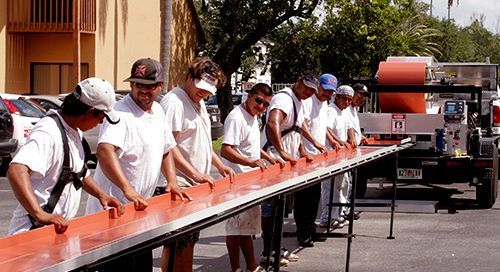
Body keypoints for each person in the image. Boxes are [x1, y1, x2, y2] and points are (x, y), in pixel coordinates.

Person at [85, 58, 190, 271]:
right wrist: (127, 189)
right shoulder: (120, 113)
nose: (143, 91)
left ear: (160, 86)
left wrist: (172, 181)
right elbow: (105, 151)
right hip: (113, 215)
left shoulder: (159, 111)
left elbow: (166, 149)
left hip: (140, 212)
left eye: (150, 86)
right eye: (138, 85)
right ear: (131, 85)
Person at [8, 77, 124, 235]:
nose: (100, 123)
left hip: (55, 229)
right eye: (101, 118)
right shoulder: (48, 132)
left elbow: (80, 174)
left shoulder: (73, 131)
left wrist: (101, 195)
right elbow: (16, 170)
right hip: (33, 232)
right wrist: (40, 214)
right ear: (89, 112)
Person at [159, 57, 236, 272]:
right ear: (189, 77)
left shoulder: (199, 101)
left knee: (190, 239)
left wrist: (219, 165)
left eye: (209, 90)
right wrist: (194, 174)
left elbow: (201, 141)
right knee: (176, 244)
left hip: (194, 184)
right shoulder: (174, 103)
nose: (204, 93)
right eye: (201, 87)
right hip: (179, 184)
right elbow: (168, 147)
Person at [221, 83, 283, 272]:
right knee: (235, 229)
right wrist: (250, 163)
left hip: (251, 183)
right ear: (249, 96)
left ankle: (251, 266)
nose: (261, 106)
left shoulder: (253, 118)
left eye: (266, 104)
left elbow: (252, 148)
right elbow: (226, 150)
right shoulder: (236, 117)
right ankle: (237, 268)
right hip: (237, 183)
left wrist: (268, 157)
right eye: (258, 101)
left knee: (246, 230)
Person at [261, 71, 317, 256]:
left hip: (285, 163)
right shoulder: (284, 99)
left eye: (312, 91)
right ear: (299, 81)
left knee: (281, 208)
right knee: (271, 208)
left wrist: (302, 150)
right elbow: (272, 123)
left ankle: (276, 249)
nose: (309, 93)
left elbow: (297, 129)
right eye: (307, 88)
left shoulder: (301, 102)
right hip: (274, 161)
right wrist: (282, 151)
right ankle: (268, 252)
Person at [297, 73, 337, 244]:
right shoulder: (307, 101)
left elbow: (323, 126)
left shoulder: (325, 103)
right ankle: (303, 233)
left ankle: (311, 229)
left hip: (318, 157)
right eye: (324, 90)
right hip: (305, 155)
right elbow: (301, 125)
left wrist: (332, 140)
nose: (326, 94)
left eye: (330, 92)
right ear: (317, 87)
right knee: (303, 197)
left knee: (315, 196)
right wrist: (312, 143)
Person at [320, 85, 354, 229]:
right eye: (344, 99)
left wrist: (351, 138)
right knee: (330, 187)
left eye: (349, 100)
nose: (347, 102)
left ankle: (337, 214)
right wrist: (337, 141)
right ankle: (326, 217)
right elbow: (326, 128)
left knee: (341, 185)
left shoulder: (344, 112)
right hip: (330, 155)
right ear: (337, 97)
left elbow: (349, 127)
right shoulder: (331, 110)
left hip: (342, 156)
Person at [347, 83, 369, 147]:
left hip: (354, 146)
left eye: (363, 97)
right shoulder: (346, 108)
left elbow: (354, 127)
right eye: (359, 95)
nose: (361, 98)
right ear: (352, 94)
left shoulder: (355, 108)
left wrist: (360, 136)